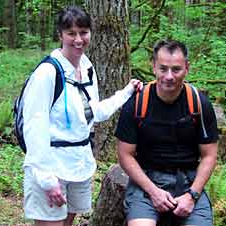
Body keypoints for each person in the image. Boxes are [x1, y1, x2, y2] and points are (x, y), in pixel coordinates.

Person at [22, 5, 142, 226]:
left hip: (79, 164)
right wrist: (47, 180)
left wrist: (126, 93)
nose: (78, 39)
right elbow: (34, 126)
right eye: (71, 33)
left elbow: (93, 113)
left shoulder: (87, 68)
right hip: (51, 167)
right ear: (60, 35)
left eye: (83, 32)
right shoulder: (47, 73)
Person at [115, 40, 218, 226]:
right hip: (146, 182)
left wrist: (192, 195)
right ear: (153, 66)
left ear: (187, 68)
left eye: (176, 69)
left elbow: (209, 155)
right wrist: (153, 191)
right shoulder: (137, 104)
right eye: (163, 69)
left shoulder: (199, 104)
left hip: (189, 181)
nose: (169, 76)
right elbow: (125, 155)